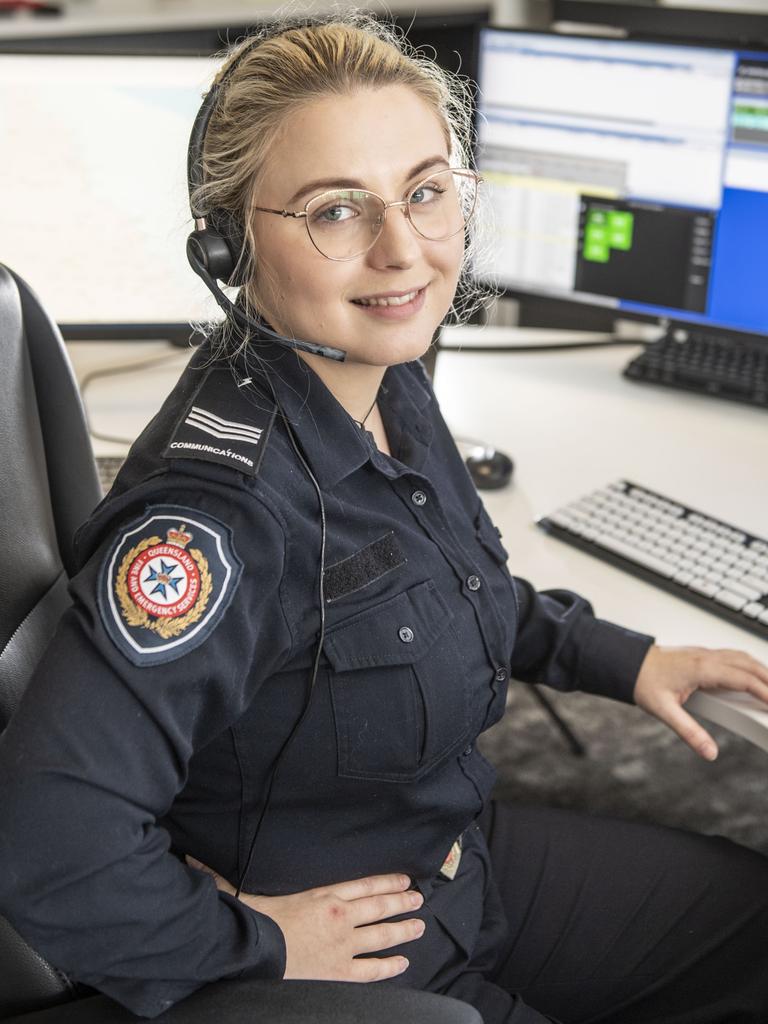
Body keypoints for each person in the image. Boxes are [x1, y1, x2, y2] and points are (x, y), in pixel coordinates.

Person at [1, 14, 767, 1024]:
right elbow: (49, 837)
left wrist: (623, 659)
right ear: (228, 241)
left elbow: (447, 585)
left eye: (426, 191)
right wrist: (260, 944)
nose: (403, 250)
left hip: (454, 859)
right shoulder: (217, 516)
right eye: (336, 211)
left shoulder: (382, 379)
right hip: (354, 954)